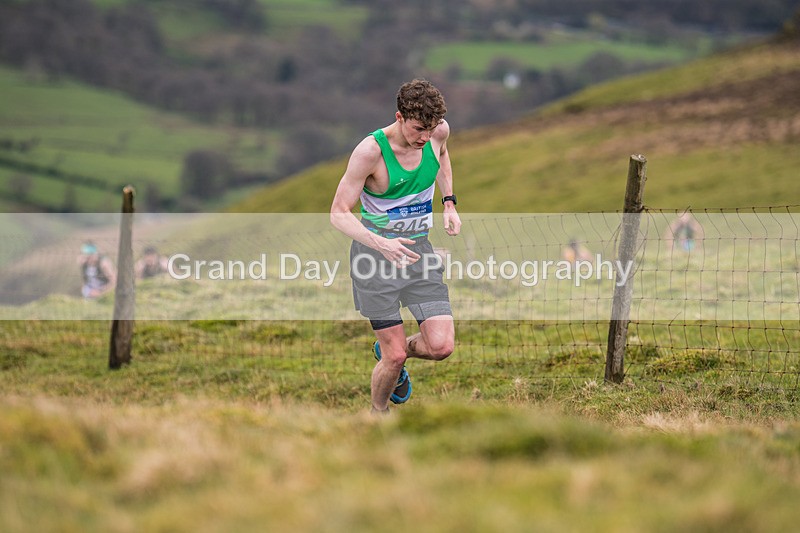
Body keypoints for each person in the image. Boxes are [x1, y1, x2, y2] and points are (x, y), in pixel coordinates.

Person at [330, 79, 461, 414]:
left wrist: (448, 203)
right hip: (374, 259)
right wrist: (381, 243)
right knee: (396, 356)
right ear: (400, 117)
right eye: (418, 129)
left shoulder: (437, 133)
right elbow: (338, 214)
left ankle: (387, 350)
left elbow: (443, 157)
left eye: (430, 130)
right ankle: (378, 414)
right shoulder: (370, 152)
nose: (424, 138)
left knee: (441, 346)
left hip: (419, 252)